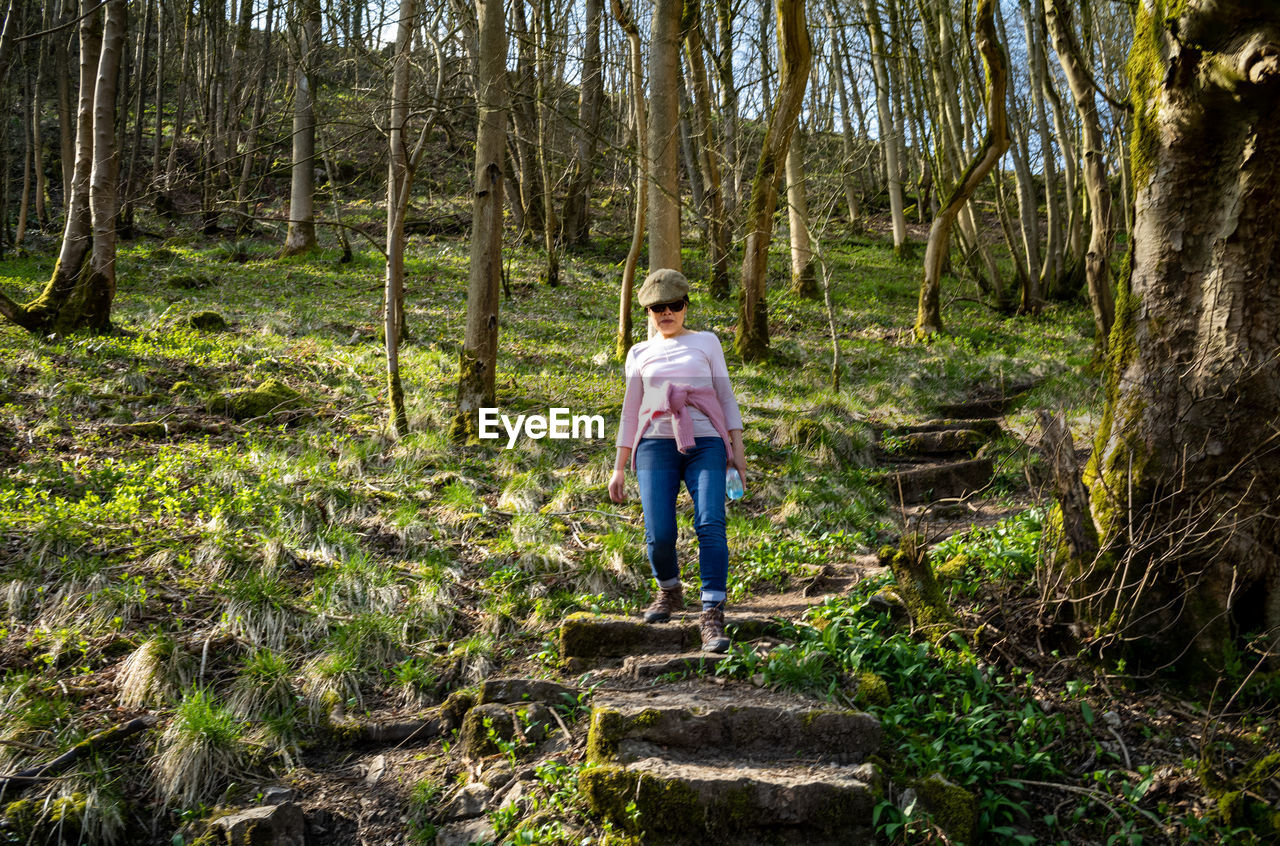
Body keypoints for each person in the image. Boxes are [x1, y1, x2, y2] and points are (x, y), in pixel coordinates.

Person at [608, 269, 747, 653]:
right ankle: (670, 591)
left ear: (685, 306)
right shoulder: (638, 353)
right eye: (657, 308)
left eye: (674, 305)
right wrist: (619, 466)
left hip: (706, 441)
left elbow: (726, 397)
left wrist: (737, 450)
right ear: (648, 313)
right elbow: (630, 411)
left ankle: (712, 613)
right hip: (654, 443)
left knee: (710, 524)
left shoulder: (706, 343)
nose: (666, 312)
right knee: (660, 534)